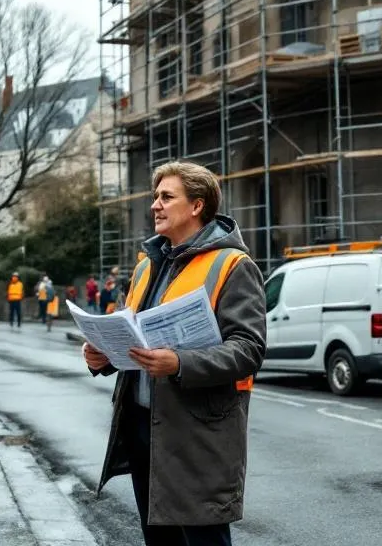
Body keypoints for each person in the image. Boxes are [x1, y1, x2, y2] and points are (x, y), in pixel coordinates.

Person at [83, 161, 266, 546]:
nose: (155, 205)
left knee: (203, 540)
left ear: (197, 206)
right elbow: (134, 337)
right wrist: (105, 356)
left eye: (166, 197)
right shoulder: (148, 265)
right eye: (155, 197)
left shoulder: (233, 265)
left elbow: (248, 349)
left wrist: (180, 363)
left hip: (196, 433)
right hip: (143, 427)